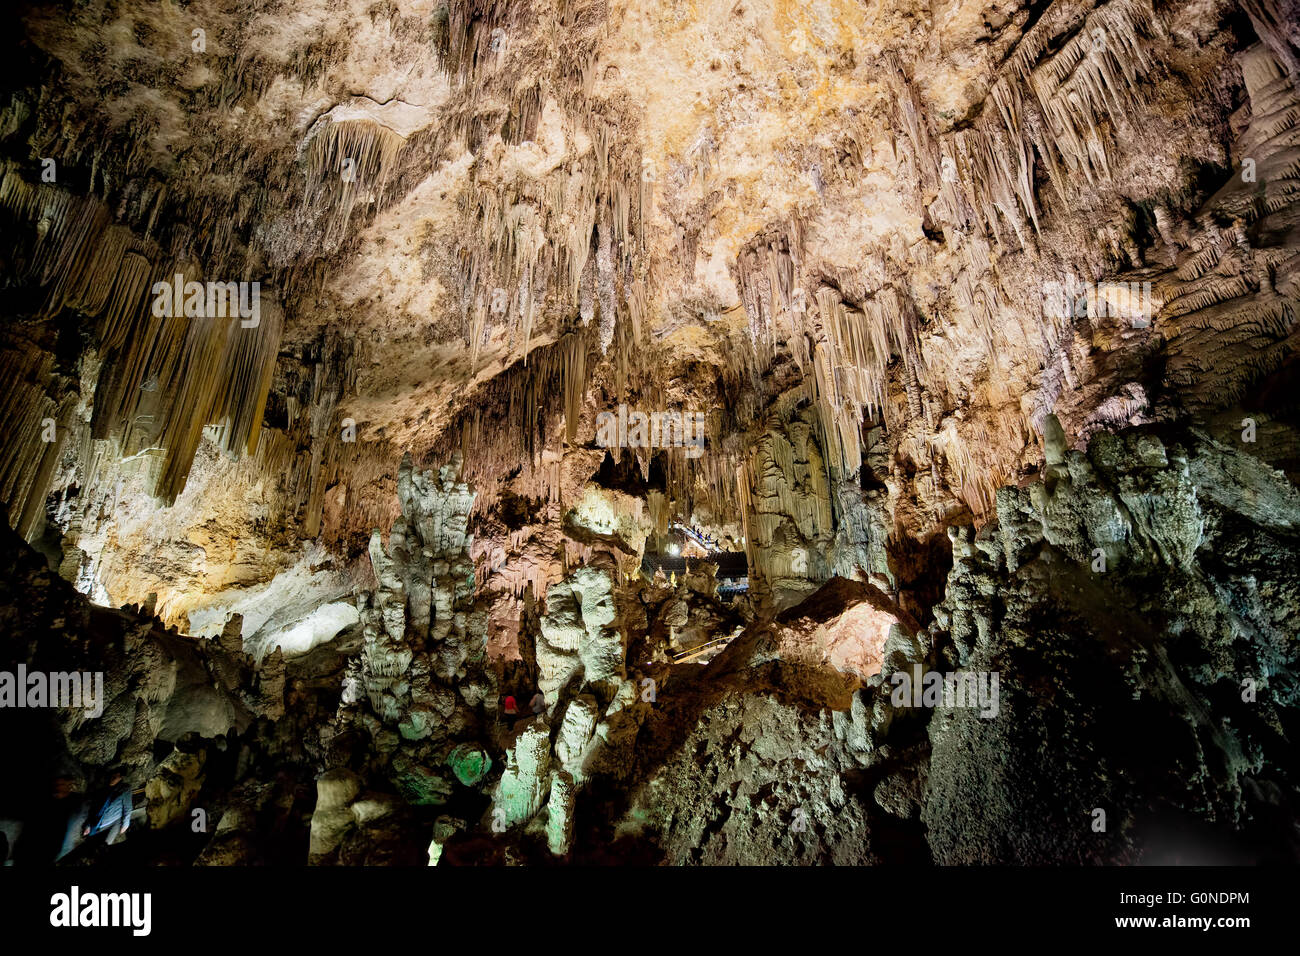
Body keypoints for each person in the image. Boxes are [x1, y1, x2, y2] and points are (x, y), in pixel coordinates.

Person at [83, 772, 133, 846]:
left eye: (115, 777)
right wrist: (88, 825)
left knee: (104, 845)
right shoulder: (104, 789)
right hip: (99, 823)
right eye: (111, 776)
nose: (112, 779)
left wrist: (125, 824)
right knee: (91, 845)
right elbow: (96, 808)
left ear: (120, 778)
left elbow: (128, 808)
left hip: (114, 821)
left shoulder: (125, 788)